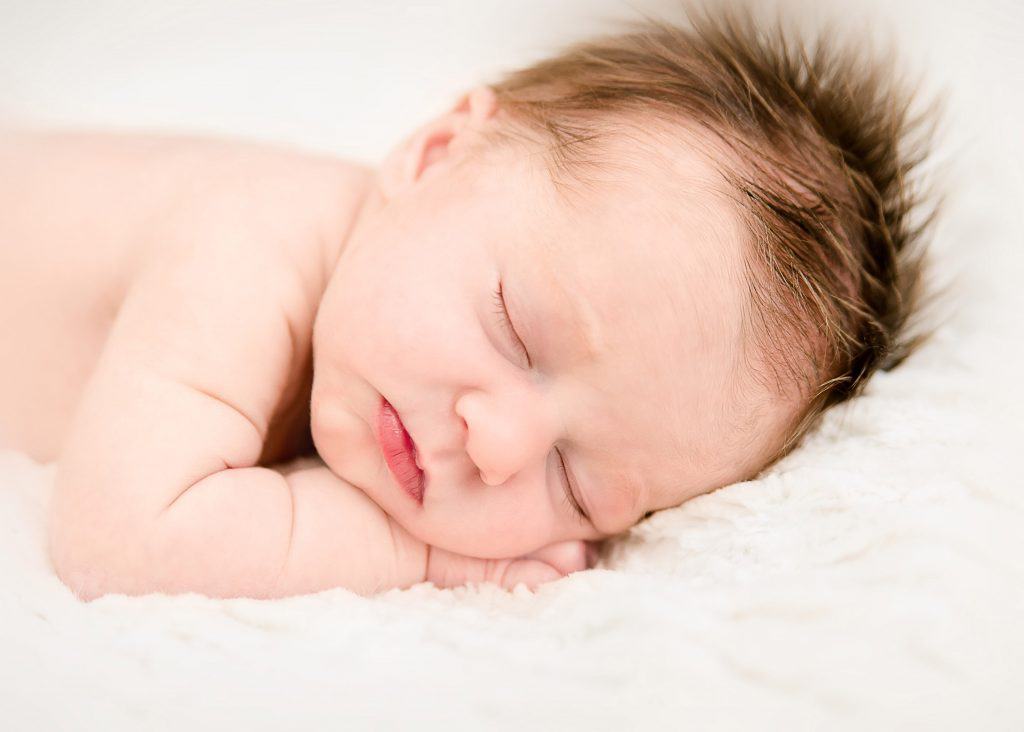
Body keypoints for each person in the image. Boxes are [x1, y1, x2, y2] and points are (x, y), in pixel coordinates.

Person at [0, 5, 934, 600]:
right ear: (438, 153)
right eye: (513, 329)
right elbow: (120, 538)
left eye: (573, 485)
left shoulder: (382, 343)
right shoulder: (248, 237)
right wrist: (430, 560)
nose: (498, 446)